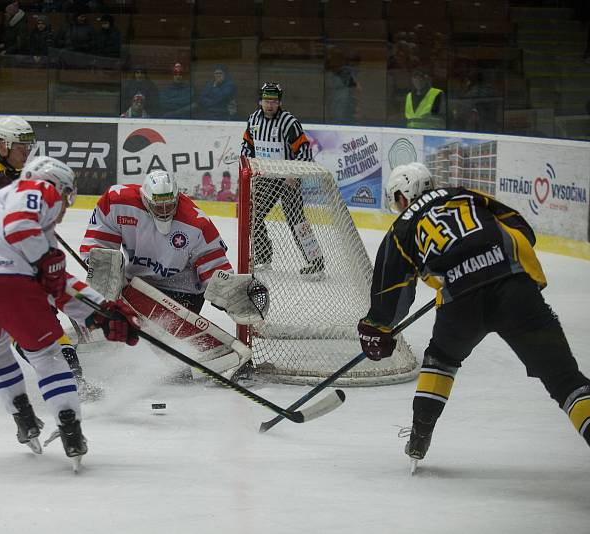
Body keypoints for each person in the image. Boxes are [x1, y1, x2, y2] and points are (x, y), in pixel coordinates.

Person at [357, 162, 590, 465]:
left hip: (460, 303)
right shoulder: (463, 194)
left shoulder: (401, 228)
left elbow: (389, 296)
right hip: (515, 288)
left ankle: (419, 436)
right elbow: (521, 228)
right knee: (566, 381)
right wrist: (487, 259)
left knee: (441, 358)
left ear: (402, 196)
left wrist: (379, 329)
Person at [0, 155, 140, 465]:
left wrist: (102, 312)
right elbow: (23, 234)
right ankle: (70, 429)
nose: (65, 208)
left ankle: (24, 418)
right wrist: (47, 263)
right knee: (46, 356)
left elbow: (58, 287)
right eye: (67, 196)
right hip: (4, 283)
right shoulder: (38, 191)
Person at [80, 170, 233, 316]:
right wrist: (98, 262)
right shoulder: (117, 203)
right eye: (159, 206)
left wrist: (226, 294)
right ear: (145, 199)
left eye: (170, 205)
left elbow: (214, 263)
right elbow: (99, 243)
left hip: (182, 290)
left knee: (165, 337)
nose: (165, 211)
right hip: (136, 284)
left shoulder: (196, 224)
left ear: (177, 197)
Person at [240, 82, 326, 276]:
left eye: (274, 101)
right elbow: (247, 147)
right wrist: (250, 168)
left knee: (297, 220)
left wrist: (293, 173)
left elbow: (304, 150)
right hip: (266, 178)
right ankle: (263, 256)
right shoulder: (253, 120)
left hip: (288, 179)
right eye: (266, 100)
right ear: (260, 101)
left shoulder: (289, 122)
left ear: (280, 102)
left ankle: (316, 262)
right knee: (253, 215)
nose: (269, 105)